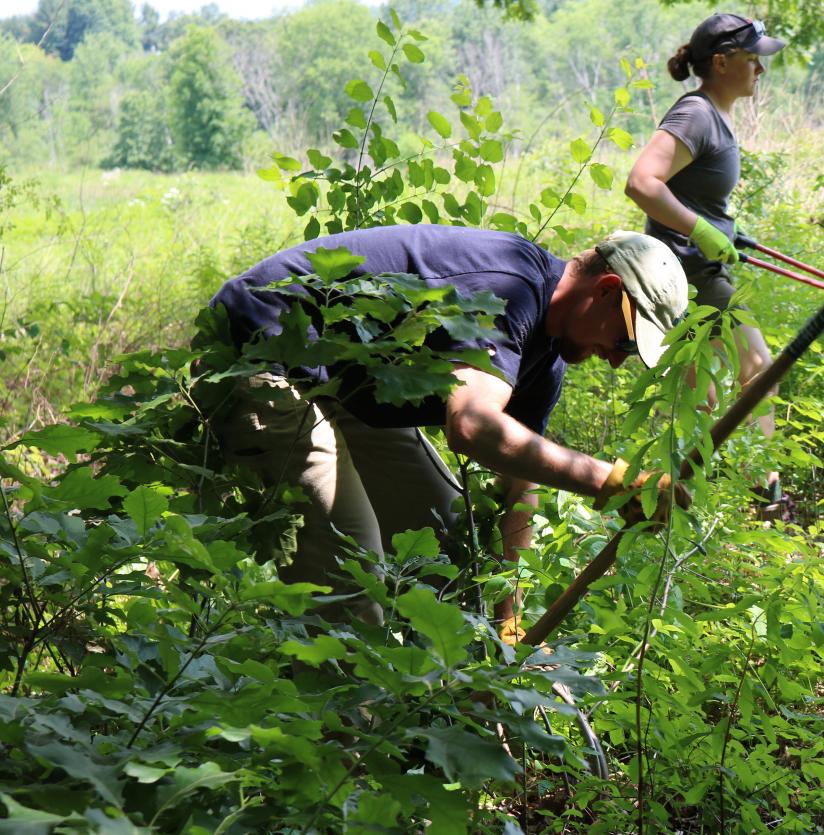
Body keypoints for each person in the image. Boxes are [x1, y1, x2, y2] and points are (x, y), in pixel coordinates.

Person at [203, 224, 690, 640]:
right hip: (265, 351)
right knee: (350, 573)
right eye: (626, 339)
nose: (616, 358)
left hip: (343, 381)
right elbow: (472, 426)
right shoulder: (509, 288)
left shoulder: (546, 360)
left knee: (445, 537)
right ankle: (351, 740)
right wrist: (609, 481)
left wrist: (510, 620)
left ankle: (447, 694)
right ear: (606, 290)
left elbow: (520, 486)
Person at [624, 13, 793, 519]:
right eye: (752, 58)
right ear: (721, 63)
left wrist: (723, 227)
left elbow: (686, 192)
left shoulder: (713, 116)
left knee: (698, 394)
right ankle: (764, 496)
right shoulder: (696, 113)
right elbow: (642, 183)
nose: (761, 70)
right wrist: (700, 230)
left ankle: (676, 503)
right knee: (758, 369)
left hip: (692, 269)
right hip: (688, 273)